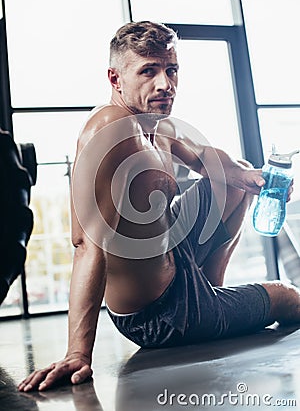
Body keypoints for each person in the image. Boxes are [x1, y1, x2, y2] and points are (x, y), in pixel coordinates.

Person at [19, 21, 300, 392]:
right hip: (165, 314)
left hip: (181, 264)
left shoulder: (159, 125)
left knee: (235, 175)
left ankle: (211, 292)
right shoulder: (109, 130)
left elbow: (210, 160)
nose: (165, 84)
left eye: (171, 69)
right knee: (290, 297)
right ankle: (210, 308)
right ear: (115, 79)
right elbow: (87, 243)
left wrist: (255, 179)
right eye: (148, 71)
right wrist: (78, 353)